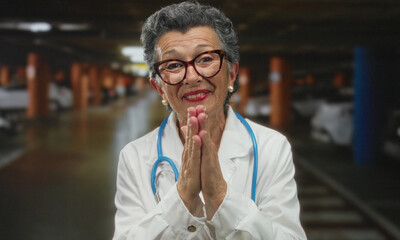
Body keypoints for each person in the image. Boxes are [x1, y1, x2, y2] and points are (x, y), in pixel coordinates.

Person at [113, 1, 306, 239]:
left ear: (232, 73)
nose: (192, 77)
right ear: (159, 87)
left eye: (205, 59)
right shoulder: (135, 157)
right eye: (173, 65)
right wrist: (182, 196)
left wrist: (221, 197)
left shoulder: (271, 147)